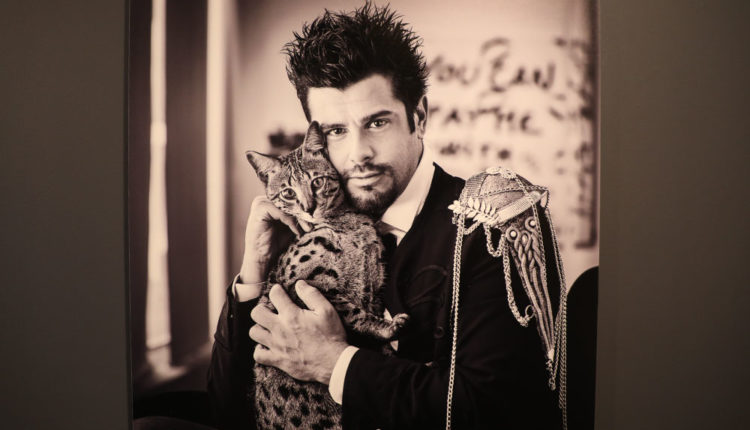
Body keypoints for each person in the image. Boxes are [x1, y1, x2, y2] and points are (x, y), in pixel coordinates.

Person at [208, 3, 563, 429]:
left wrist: (335, 364)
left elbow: (493, 410)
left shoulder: (494, 223)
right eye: (336, 131)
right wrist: (254, 271)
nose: (358, 153)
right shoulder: (303, 227)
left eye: (377, 123)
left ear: (419, 117)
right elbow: (227, 411)